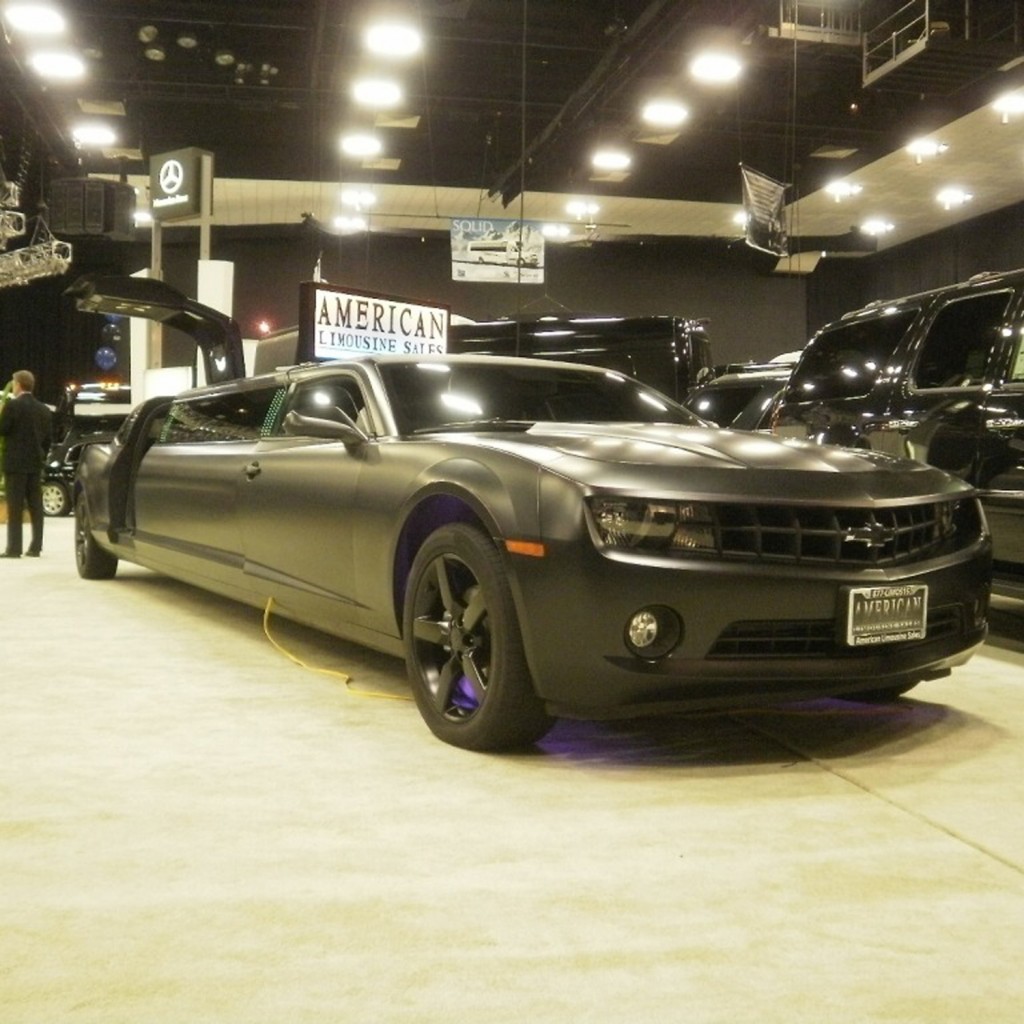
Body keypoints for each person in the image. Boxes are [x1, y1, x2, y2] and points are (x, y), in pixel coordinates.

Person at [0, 370, 53, 558]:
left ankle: (14, 548)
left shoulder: (12, 406)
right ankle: (35, 547)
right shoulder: (44, 409)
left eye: (14, 384)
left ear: (19, 385)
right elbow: (48, 440)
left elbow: (3, 430)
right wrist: (41, 457)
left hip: (15, 464)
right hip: (35, 463)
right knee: (36, 507)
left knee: (15, 506)